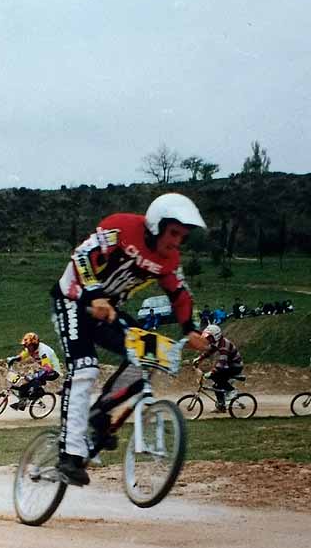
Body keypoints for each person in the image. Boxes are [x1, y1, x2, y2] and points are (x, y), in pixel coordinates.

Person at [50, 192, 210, 485]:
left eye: (182, 237)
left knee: (147, 356)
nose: (176, 242)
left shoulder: (169, 259)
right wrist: (95, 295)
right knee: (85, 369)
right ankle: (68, 456)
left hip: (108, 310)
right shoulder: (121, 228)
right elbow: (82, 256)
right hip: (73, 300)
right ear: (156, 225)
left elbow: (180, 293)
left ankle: (99, 413)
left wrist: (190, 329)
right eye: (173, 233)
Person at [194, 324, 244, 412]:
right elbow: (209, 352)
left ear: (215, 336)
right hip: (229, 365)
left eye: (209, 337)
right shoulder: (217, 342)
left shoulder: (224, 345)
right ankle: (221, 407)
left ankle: (232, 391)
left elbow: (221, 364)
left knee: (216, 375)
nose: (207, 339)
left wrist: (211, 373)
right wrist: (199, 358)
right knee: (216, 386)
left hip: (235, 366)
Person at [5, 331, 60, 410]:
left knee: (33, 379)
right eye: (26, 346)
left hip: (53, 371)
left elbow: (48, 368)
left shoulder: (43, 351)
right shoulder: (31, 349)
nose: (27, 348)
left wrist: (35, 375)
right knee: (25, 381)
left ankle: (38, 393)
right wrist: (13, 359)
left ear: (35, 344)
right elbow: (21, 357)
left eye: (29, 346)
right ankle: (23, 400)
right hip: (46, 369)